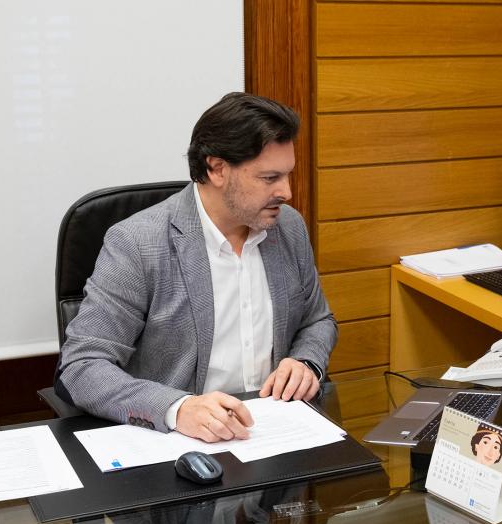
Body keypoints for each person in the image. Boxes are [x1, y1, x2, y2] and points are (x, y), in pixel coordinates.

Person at [57, 93, 338, 442]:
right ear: (217, 169)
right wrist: (176, 408)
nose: (287, 192)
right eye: (269, 178)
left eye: (287, 175)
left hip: (274, 433)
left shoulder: (288, 228)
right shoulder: (138, 243)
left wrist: (305, 362)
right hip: (179, 446)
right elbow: (82, 367)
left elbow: (317, 320)